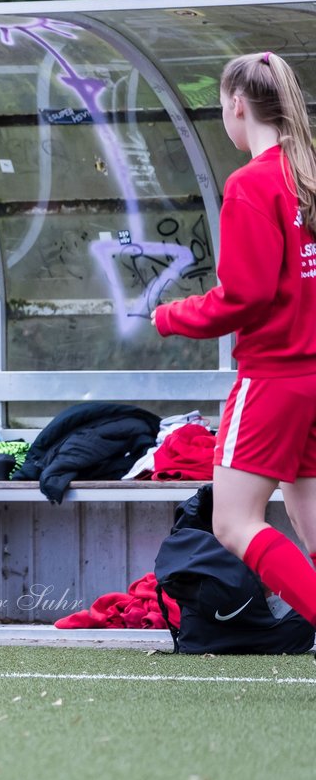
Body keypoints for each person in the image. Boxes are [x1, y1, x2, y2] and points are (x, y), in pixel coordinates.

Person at [152, 50, 316, 626]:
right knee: (312, 523)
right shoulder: (309, 178)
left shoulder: (252, 184)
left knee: (233, 522)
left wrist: (171, 316)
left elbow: (243, 297)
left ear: (238, 105)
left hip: (274, 379)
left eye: (223, 107)